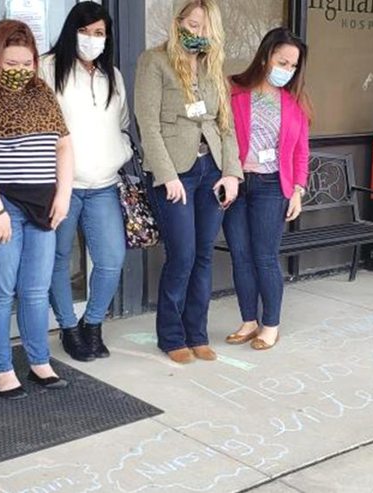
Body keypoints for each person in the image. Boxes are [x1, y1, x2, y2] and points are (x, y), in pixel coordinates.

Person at [0, 20, 73, 399]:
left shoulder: (42, 92)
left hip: (41, 205)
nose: (21, 70)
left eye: (27, 63)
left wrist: (63, 195)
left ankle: (39, 362)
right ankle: (2, 370)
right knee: (0, 290)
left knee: (36, 289)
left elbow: (64, 146)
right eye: (11, 63)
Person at [135, 0, 242, 364]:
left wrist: (232, 173)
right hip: (175, 172)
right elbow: (147, 124)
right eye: (193, 25)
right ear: (178, 22)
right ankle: (171, 336)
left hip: (211, 170)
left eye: (205, 28)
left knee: (203, 255)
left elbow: (225, 126)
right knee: (182, 255)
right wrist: (166, 176)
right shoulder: (154, 61)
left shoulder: (213, 67)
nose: (198, 33)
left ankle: (197, 334)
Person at [39, 2, 132, 363]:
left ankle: (92, 324)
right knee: (58, 259)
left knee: (111, 259)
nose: (92, 39)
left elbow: (122, 124)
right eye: (85, 31)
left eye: (99, 33)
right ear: (71, 31)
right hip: (61, 186)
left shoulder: (113, 76)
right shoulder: (47, 68)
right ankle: (68, 327)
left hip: (104, 184)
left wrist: (119, 152)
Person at [223, 28, 311, 351]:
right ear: (265, 57)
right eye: (282, 62)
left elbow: (301, 151)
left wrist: (298, 190)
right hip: (236, 182)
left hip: (272, 185)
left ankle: (270, 324)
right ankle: (249, 321)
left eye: (293, 66)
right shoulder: (233, 91)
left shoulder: (294, 103)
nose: (287, 70)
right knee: (240, 255)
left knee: (264, 256)